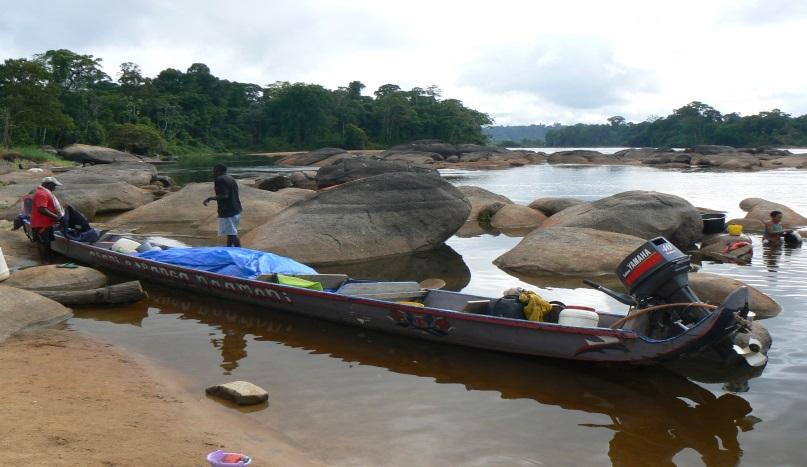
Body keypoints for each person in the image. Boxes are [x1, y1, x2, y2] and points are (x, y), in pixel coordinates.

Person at [203, 164, 242, 247]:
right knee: (231, 233)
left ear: (218, 171)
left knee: (231, 233)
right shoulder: (230, 178)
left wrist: (210, 198)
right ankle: (231, 250)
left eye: (214, 171)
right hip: (236, 209)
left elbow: (224, 195)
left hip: (228, 211)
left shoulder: (219, 179)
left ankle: (237, 250)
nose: (212, 173)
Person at [30, 176, 65, 264]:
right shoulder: (42, 194)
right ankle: (45, 262)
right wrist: (56, 217)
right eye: (54, 185)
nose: (55, 188)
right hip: (41, 224)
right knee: (42, 243)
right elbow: (42, 209)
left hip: (46, 223)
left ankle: (49, 260)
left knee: (47, 243)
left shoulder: (44, 192)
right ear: (48, 184)